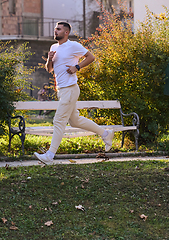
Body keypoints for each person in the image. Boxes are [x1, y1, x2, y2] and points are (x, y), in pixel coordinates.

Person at [34, 21, 114, 165]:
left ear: (66, 32)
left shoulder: (73, 46)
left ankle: (50, 155)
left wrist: (77, 67)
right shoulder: (53, 47)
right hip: (62, 90)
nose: (55, 31)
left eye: (58, 29)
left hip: (70, 89)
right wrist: (50, 59)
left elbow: (91, 57)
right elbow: (49, 70)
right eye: (55, 29)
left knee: (58, 120)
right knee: (75, 120)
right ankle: (106, 134)